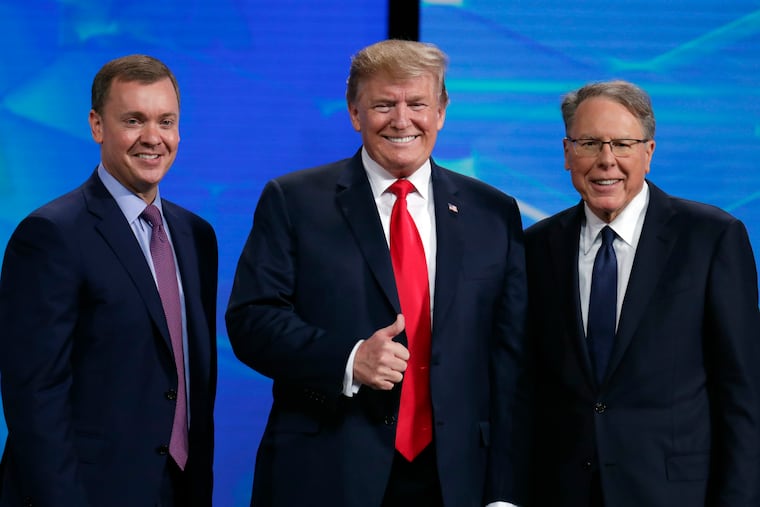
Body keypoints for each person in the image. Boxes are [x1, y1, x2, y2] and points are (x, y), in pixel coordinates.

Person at [226, 39, 530, 507]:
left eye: (417, 104)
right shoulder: (295, 201)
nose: (402, 120)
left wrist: (504, 493)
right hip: (327, 472)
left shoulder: (492, 211)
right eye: (384, 104)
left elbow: (510, 360)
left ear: (442, 111)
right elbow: (251, 320)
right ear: (355, 113)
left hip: (456, 480)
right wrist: (348, 360)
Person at [525, 79, 760, 507]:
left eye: (623, 144)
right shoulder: (536, 247)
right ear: (566, 153)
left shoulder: (711, 238)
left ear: (648, 153)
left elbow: (743, 394)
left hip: (673, 493)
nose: (606, 161)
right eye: (589, 143)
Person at [0, 54, 218, 506]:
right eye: (133, 120)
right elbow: (35, 398)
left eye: (166, 121)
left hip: (178, 488)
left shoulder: (197, 236)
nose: (153, 138)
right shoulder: (50, 235)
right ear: (97, 126)